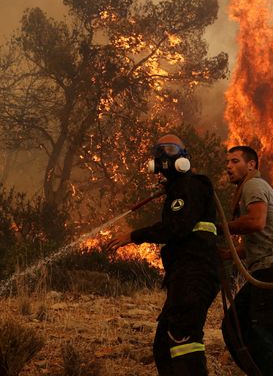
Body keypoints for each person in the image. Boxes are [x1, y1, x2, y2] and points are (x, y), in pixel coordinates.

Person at [106, 134, 220, 376]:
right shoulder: (179, 190)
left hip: (195, 272)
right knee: (163, 346)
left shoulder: (191, 186)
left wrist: (134, 235)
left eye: (170, 149)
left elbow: (176, 228)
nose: (163, 155)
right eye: (159, 150)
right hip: (184, 273)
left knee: (183, 339)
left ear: (183, 157)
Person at [220, 145, 273, 376]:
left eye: (235, 161)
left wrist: (218, 228)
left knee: (261, 332)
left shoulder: (253, 184)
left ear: (251, 164)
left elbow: (256, 222)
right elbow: (258, 240)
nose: (229, 167)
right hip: (265, 270)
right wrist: (226, 254)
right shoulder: (250, 187)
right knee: (233, 326)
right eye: (228, 163)